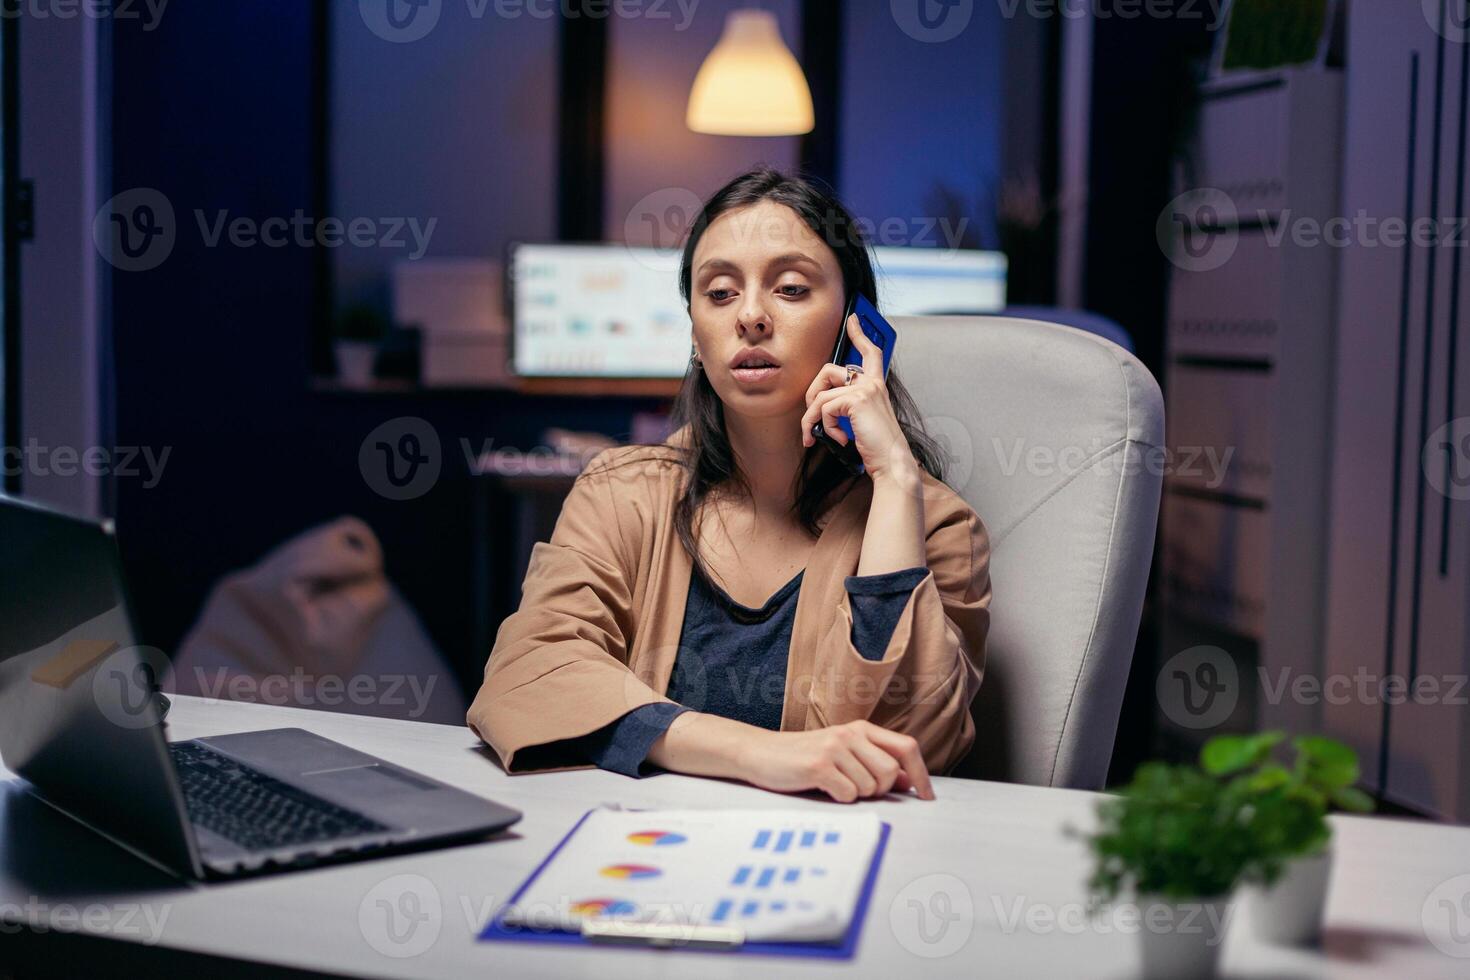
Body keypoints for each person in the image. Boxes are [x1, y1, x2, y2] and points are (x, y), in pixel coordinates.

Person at [467, 167, 992, 802]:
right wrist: (757, 753)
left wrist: (895, 479)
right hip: (635, 857)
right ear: (694, 331)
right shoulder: (621, 493)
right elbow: (528, 676)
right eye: (718, 293)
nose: (750, 316)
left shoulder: (933, 525)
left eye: (792, 288)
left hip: (833, 869)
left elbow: (909, 750)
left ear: (855, 324)